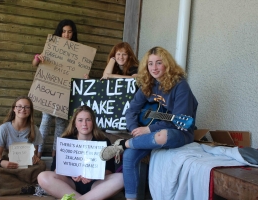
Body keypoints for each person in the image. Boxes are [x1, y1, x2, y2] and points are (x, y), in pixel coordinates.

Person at [100, 46, 198, 200]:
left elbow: (179, 121)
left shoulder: (180, 86)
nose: (154, 68)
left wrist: (149, 129)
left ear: (167, 64)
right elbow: (131, 111)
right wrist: (134, 128)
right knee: (129, 156)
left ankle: (123, 144)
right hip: (148, 133)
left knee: (162, 135)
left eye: (159, 63)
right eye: (150, 64)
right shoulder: (148, 84)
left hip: (178, 132)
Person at [37, 105, 124, 200]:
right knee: (43, 176)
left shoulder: (103, 141)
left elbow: (109, 171)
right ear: (75, 123)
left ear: (93, 122)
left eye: (88, 120)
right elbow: (55, 169)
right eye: (80, 120)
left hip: (96, 185)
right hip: (70, 184)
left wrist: (93, 175)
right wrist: (70, 173)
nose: (84, 124)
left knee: (122, 178)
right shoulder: (66, 140)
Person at [32, 19, 80, 171]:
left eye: (69, 31)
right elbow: (35, 64)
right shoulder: (52, 47)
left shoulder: (78, 51)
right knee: (45, 121)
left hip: (66, 93)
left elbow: (79, 72)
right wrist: (38, 59)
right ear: (60, 32)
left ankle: (56, 156)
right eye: (64, 31)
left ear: (73, 33)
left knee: (61, 124)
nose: (66, 34)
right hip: (49, 90)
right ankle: (37, 155)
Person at [0, 96, 45, 196]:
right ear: (14, 109)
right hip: (9, 164)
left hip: (26, 167)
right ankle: (27, 187)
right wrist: (2, 163)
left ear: (30, 110)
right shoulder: (4, 128)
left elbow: (35, 155)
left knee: (42, 166)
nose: (23, 109)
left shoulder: (34, 129)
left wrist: (35, 158)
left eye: (26, 107)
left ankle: (13, 186)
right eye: (19, 106)